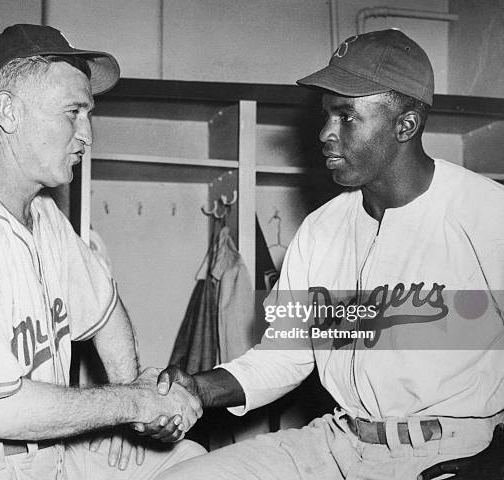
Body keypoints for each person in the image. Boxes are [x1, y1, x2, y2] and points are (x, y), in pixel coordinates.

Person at [138, 29, 504, 479]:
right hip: (337, 442)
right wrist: (197, 388)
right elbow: (284, 355)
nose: (326, 133)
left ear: (405, 125)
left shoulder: (486, 214)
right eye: (327, 115)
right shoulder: (321, 228)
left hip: (453, 452)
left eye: (347, 117)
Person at [0, 24, 206, 479]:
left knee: (190, 461)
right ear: (8, 112)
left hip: (39, 451)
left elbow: (105, 309)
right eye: (72, 112)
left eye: (88, 114)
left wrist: (133, 400)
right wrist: (132, 402)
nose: (87, 135)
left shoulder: (44, 215)